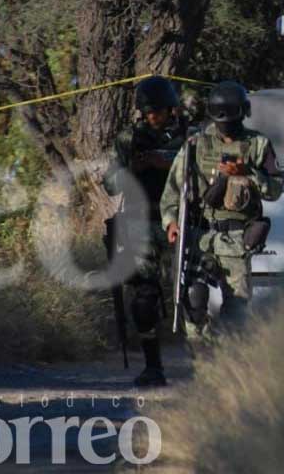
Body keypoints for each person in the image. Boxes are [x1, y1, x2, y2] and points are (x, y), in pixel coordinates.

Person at [160, 81, 282, 340]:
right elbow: (173, 190)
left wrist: (248, 173)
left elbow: (275, 190)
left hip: (236, 238)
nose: (226, 125)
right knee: (193, 298)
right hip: (198, 236)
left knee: (236, 311)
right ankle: (201, 359)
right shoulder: (195, 145)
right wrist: (171, 222)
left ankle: (230, 364)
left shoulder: (259, 144)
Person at [103, 75, 189, 387]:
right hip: (142, 223)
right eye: (148, 111)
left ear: (171, 109)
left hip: (183, 222)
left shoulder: (188, 136)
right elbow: (109, 184)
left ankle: (208, 361)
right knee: (143, 298)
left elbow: (200, 171)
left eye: (158, 110)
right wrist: (130, 171)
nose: (153, 116)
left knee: (195, 294)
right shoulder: (129, 139)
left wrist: (165, 162)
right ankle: (154, 366)